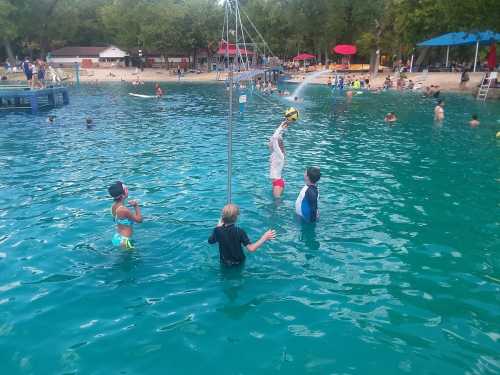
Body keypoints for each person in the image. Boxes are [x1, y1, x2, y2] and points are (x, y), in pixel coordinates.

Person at [208, 203, 276, 266]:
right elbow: (251, 249)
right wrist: (264, 237)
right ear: (236, 218)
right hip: (239, 262)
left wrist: (217, 226)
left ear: (222, 218)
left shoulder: (217, 230)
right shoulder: (239, 231)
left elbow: (210, 241)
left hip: (224, 262)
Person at [269, 110, 297, 198]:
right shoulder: (275, 153)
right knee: (276, 203)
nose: (269, 143)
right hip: (276, 182)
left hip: (278, 183)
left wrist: (281, 126)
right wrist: (284, 124)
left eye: (270, 142)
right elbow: (275, 137)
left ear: (277, 145)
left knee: (277, 204)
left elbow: (274, 138)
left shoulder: (279, 154)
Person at [108, 181, 142, 249]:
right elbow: (139, 220)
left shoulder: (113, 206)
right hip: (125, 242)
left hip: (117, 237)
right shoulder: (123, 210)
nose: (127, 190)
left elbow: (119, 219)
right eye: (126, 189)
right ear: (123, 195)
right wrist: (136, 205)